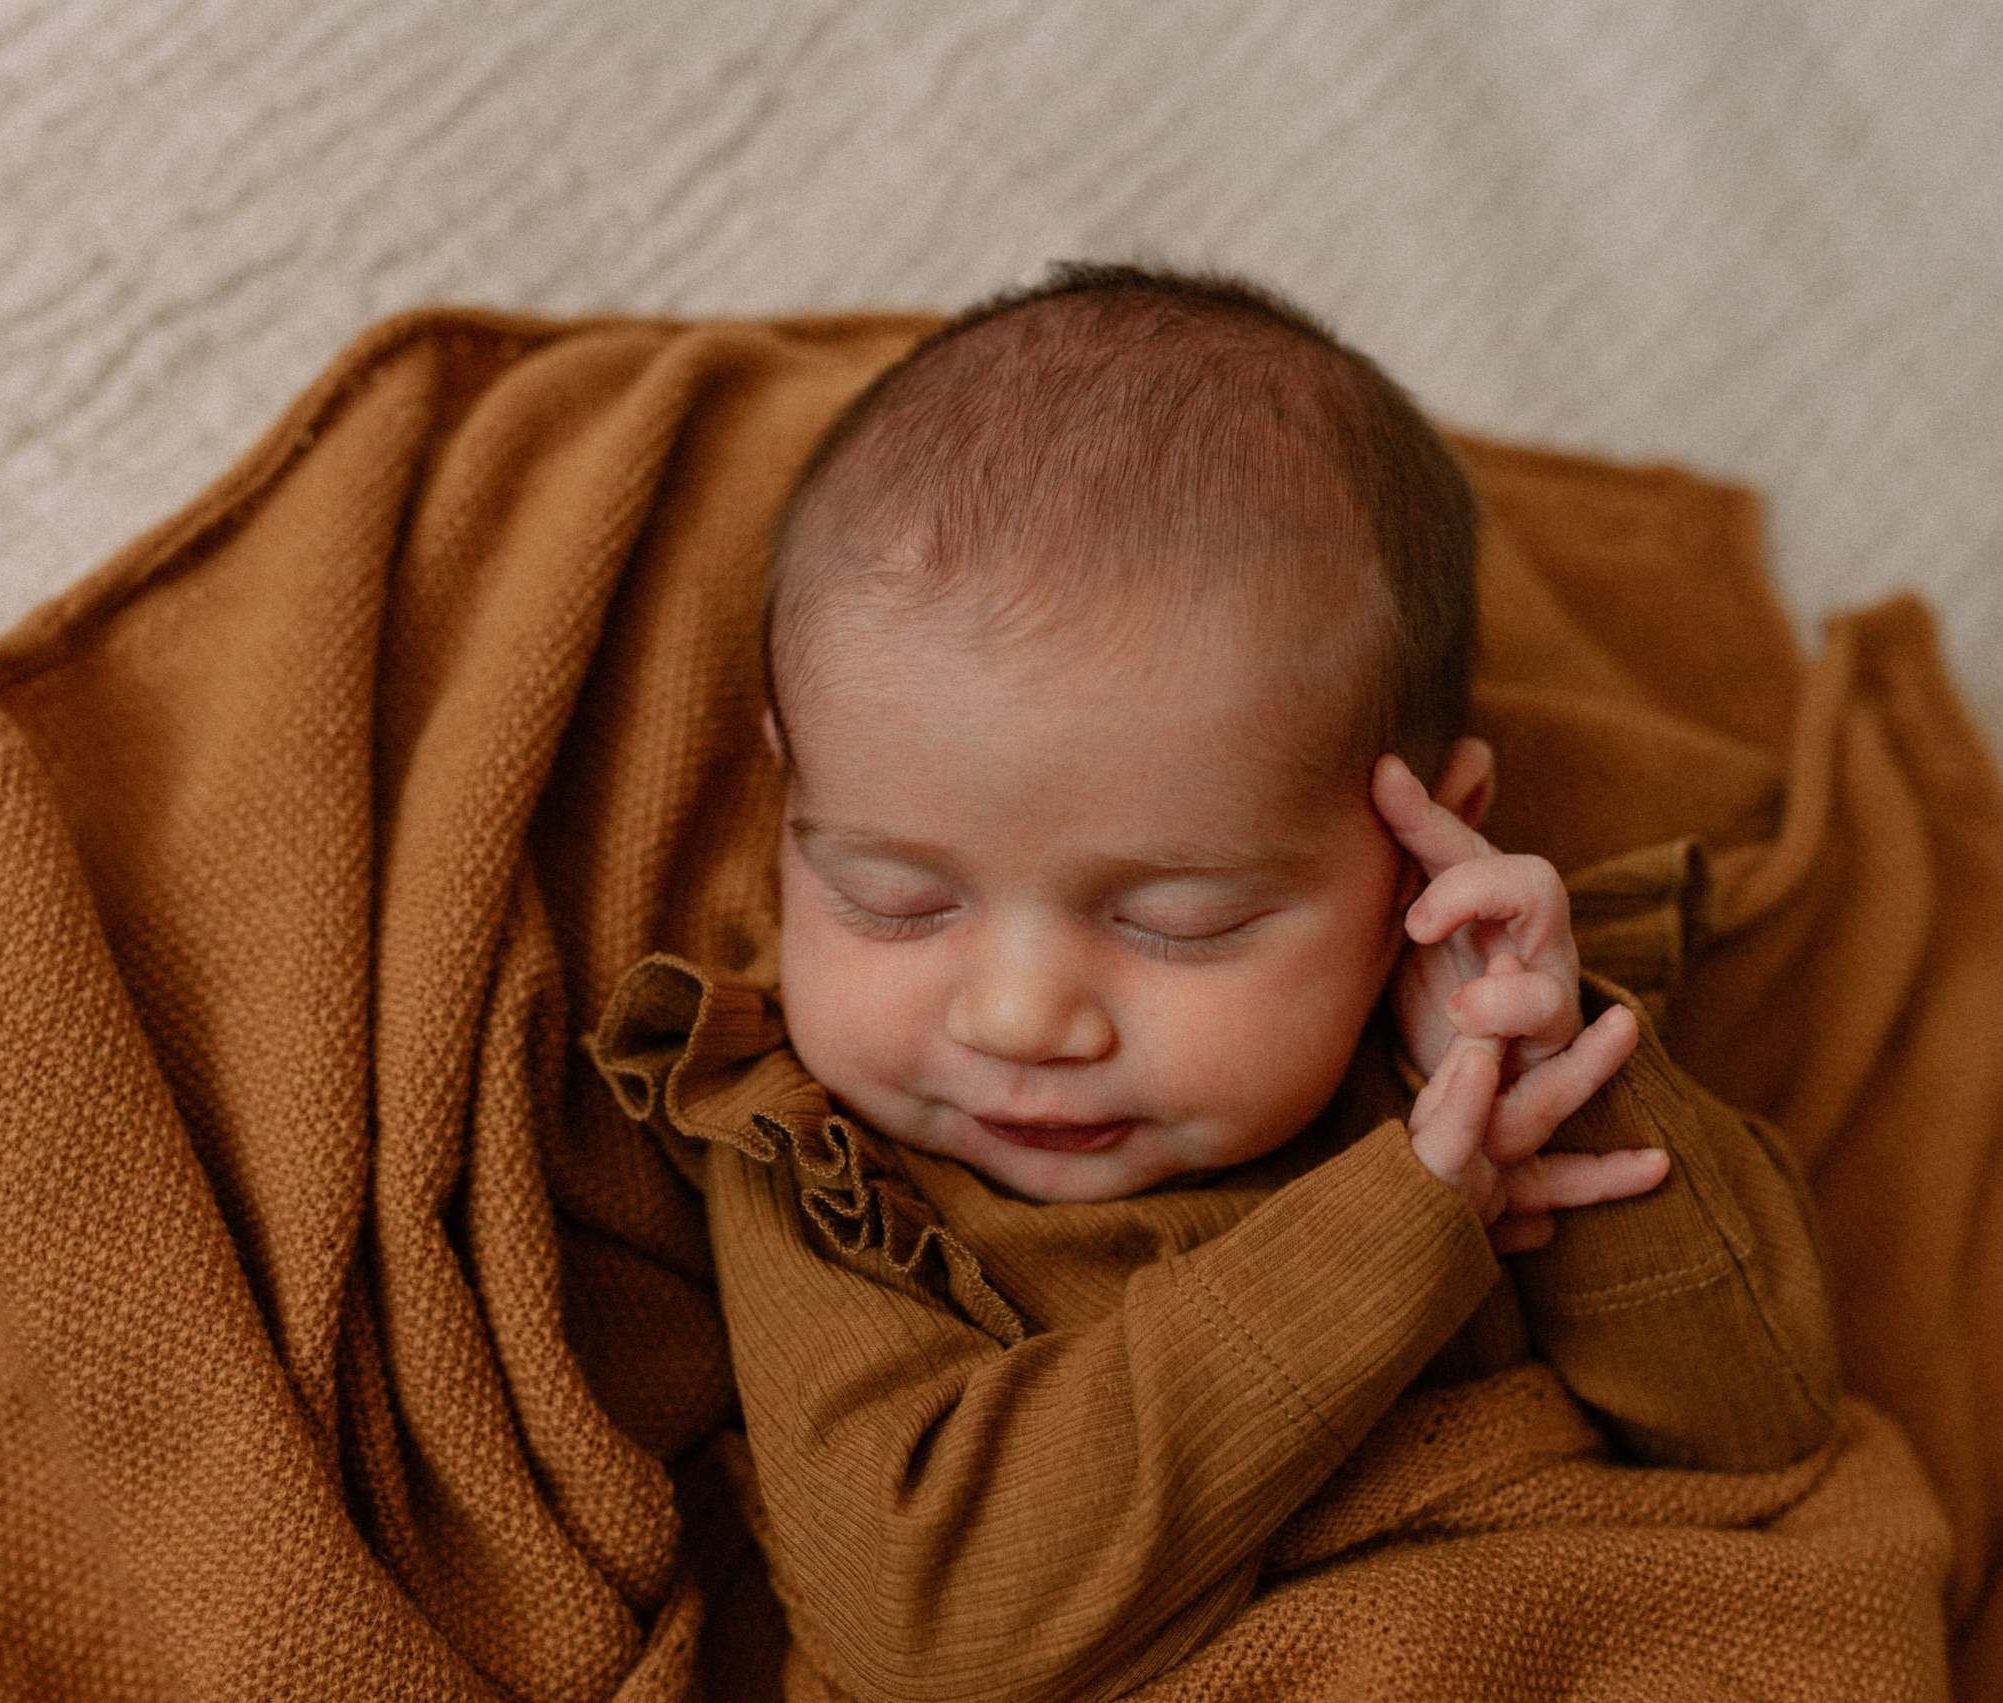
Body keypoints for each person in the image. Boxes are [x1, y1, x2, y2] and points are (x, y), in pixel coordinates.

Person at [590, 263, 1841, 1703]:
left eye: (1179, 922)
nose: (1019, 1021)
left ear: (1416, 853)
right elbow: (925, 1627)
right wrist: (1403, 1229)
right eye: (898, 900)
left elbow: (1759, 1428)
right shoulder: (826, 1164)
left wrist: (1551, 1097)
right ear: (791, 799)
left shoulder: (1469, 1053)